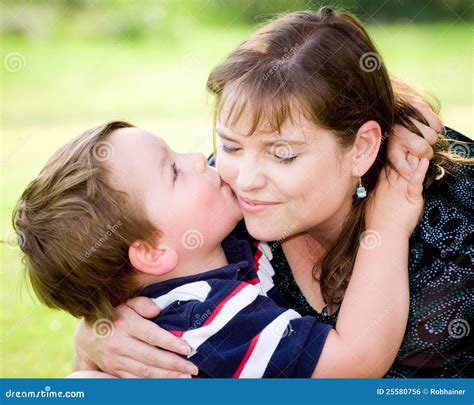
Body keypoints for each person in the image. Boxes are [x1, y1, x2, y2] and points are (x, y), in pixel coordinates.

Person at [73, 8, 473, 378]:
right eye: (230, 146)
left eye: (282, 154)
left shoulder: (457, 221)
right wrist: (93, 338)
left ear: (363, 147)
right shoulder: (219, 208)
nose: (244, 179)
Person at [13, 121, 429, 378]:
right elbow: (353, 364)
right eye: (173, 171)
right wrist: (387, 227)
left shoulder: (214, 247)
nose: (198, 158)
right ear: (153, 253)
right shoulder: (205, 321)